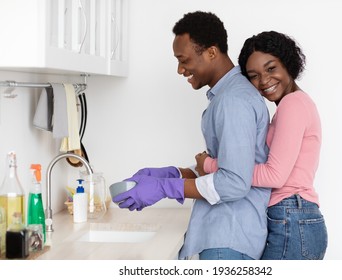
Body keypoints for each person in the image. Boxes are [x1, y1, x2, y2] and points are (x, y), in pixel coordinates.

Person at [112, 11, 271, 260]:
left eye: (183, 60)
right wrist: (173, 174)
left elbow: (235, 182)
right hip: (222, 237)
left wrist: (166, 187)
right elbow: (225, 167)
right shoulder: (226, 97)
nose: (179, 69)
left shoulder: (233, 101)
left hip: (228, 238)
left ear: (211, 52)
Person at [195, 31, 328, 260]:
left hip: (293, 218)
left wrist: (211, 165)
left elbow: (274, 175)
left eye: (270, 68)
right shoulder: (293, 104)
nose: (264, 81)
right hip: (293, 218)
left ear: (287, 63)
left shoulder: (292, 105)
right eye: (254, 75)